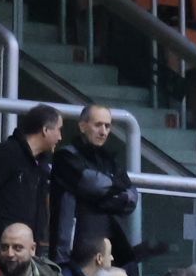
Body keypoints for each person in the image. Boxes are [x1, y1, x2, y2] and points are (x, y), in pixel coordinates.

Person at [49, 104, 136, 263]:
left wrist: (95, 198)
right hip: (74, 249)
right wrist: (114, 192)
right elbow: (93, 184)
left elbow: (132, 198)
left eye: (107, 126)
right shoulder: (65, 157)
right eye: (98, 125)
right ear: (82, 126)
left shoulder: (110, 160)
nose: (103, 131)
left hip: (112, 246)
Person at [0, 104, 60, 244]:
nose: (60, 137)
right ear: (45, 130)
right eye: (59, 129)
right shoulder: (5, 154)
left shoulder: (42, 166)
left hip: (29, 248)